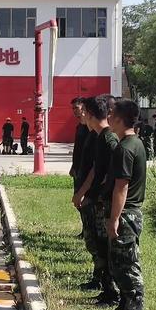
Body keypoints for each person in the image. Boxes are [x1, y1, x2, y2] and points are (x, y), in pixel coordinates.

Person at [101, 99, 146, 310]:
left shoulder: (126, 148)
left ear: (119, 119)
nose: (108, 117)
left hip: (126, 214)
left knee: (128, 266)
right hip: (128, 213)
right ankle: (124, 308)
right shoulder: (133, 143)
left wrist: (114, 218)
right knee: (118, 264)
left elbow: (122, 187)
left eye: (111, 114)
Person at [73, 96, 119, 302]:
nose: (80, 115)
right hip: (94, 198)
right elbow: (94, 169)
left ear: (90, 114)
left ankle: (112, 290)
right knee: (97, 243)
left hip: (103, 202)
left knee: (106, 246)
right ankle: (103, 282)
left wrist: (95, 196)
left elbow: (112, 177)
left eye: (83, 111)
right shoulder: (97, 136)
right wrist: (82, 192)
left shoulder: (109, 140)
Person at [69, 97, 89, 237]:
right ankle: (85, 228)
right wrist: (73, 166)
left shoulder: (90, 127)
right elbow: (77, 149)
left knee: (86, 201)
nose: (75, 111)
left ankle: (88, 230)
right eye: (73, 108)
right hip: (78, 169)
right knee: (78, 201)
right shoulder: (79, 127)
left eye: (77, 108)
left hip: (87, 170)